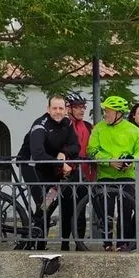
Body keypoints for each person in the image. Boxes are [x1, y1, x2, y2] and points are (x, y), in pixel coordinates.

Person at [15, 95, 79, 248]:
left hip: (51, 167)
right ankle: (37, 244)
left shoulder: (67, 123)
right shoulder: (40, 126)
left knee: (47, 205)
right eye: (54, 108)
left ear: (66, 110)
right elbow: (38, 155)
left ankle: (35, 238)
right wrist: (61, 164)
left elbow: (75, 146)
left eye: (61, 108)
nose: (58, 111)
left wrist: (64, 153)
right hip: (32, 166)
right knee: (44, 205)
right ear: (48, 109)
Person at [87, 95, 139, 251]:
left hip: (127, 177)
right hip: (105, 176)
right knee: (105, 212)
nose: (105, 114)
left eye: (108, 111)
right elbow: (91, 150)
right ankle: (107, 243)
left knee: (125, 212)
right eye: (105, 110)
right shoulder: (99, 128)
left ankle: (123, 243)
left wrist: (130, 160)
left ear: (119, 113)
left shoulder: (134, 130)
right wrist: (109, 161)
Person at [61, 92, 94, 251]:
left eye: (83, 107)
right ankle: (64, 243)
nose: (81, 111)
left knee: (80, 210)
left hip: (85, 174)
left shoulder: (88, 126)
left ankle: (79, 243)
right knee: (67, 210)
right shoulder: (63, 125)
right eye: (78, 108)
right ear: (69, 109)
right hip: (67, 173)